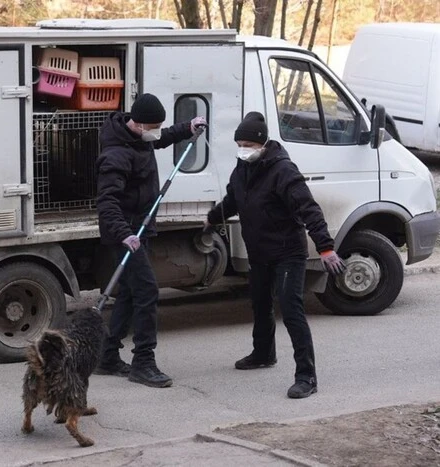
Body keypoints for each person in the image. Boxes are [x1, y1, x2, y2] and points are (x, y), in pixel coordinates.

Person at [205, 111, 346, 399]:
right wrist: (212, 217)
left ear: (262, 143)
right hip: (259, 251)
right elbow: (233, 200)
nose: (242, 150)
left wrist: (326, 247)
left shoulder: (283, 171)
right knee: (259, 304)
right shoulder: (242, 169)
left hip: (287, 253)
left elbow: (309, 209)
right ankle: (263, 354)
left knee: (291, 309)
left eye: (248, 144)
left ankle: (306, 377)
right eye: (239, 144)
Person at [94, 93, 205, 388]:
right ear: (139, 124)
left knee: (130, 292)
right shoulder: (116, 154)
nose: (156, 131)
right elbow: (106, 203)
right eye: (153, 126)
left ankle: (107, 356)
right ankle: (143, 362)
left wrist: (187, 127)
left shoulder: (138, 137)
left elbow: (160, 138)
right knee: (146, 291)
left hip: (137, 230)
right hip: (125, 233)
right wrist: (125, 234)